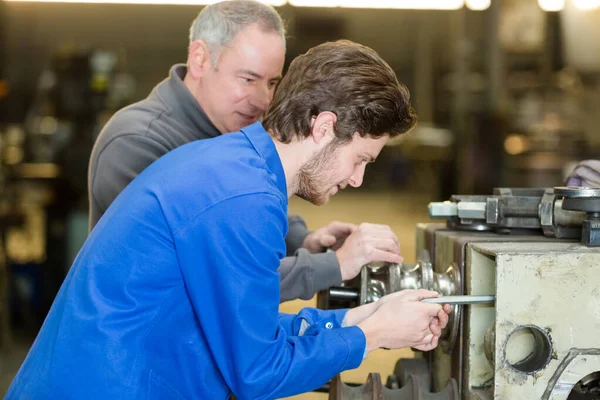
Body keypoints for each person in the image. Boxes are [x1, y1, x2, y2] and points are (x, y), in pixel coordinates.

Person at [7, 40, 452, 400]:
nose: (357, 180)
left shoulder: (236, 165)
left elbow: (245, 328)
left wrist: (360, 320)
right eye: (361, 159)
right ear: (323, 127)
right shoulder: (245, 198)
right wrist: (372, 336)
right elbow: (257, 373)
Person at [87, 0, 404, 302]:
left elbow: (242, 213)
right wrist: (333, 266)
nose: (262, 100)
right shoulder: (139, 142)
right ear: (200, 59)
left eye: (271, 83)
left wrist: (301, 241)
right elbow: (217, 279)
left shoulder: (232, 130)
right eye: (248, 79)